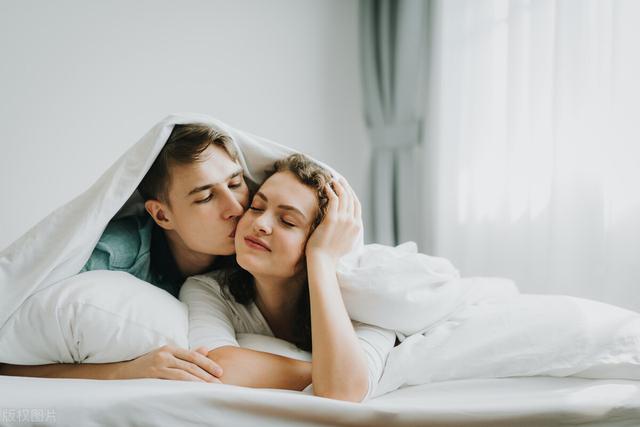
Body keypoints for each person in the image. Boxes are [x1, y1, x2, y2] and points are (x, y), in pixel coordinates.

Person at [0, 123, 251, 382]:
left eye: (235, 183)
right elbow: (7, 365)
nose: (235, 207)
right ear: (162, 215)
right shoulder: (111, 258)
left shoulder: (258, 242)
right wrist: (126, 371)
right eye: (206, 197)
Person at [180, 154, 396, 402]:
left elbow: (343, 391)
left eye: (288, 221)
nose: (260, 223)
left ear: (323, 238)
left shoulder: (365, 300)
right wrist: (323, 372)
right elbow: (217, 366)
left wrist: (321, 258)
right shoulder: (208, 288)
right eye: (256, 207)